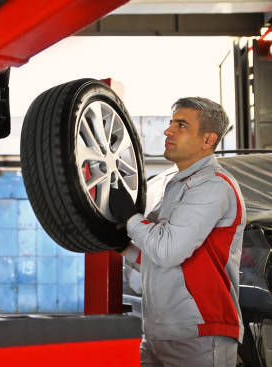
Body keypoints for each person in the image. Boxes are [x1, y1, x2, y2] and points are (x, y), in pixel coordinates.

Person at [109, 97, 246, 366]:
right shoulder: (176, 185)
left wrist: (131, 218)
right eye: (171, 123)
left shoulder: (213, 186)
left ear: (208, 140)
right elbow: (157, 259)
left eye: (181, 125)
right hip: (159, 332)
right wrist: (124, 246)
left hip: (200, 334)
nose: (167, 131)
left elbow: (168, 251)